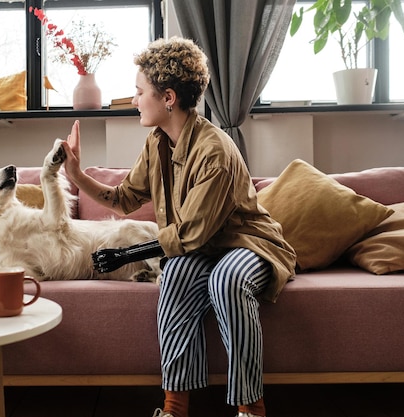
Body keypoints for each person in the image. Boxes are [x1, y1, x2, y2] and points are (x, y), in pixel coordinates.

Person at [60, 37, 296, 417]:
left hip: (248, 245)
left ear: (168, 97)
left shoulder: (214, 152)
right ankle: (174, 408)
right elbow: (124, 199)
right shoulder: (157, 143)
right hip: (201, 250)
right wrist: (76, 174)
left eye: (139, 92)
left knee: (227, 280)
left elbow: (190, 234)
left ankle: (251, 408)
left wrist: (125, 255)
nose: (134, 100)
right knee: (176, 276)